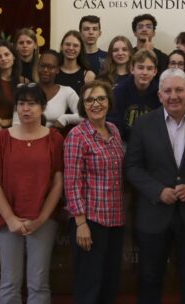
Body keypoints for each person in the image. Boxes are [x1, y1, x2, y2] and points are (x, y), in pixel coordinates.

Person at [124, 68, 185, 304]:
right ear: (159, 96)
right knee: (149, 278)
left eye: (178, 90)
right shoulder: (143, 125)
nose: (173, 95)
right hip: (153, 215)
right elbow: (132, 167)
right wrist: (157, 190)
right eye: (167, 91)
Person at [0, 83, 64, 304]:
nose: (26, 109)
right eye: (21, 104)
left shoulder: (54, 138)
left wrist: (40, 220)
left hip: (43, 219)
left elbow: (59, 182)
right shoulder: (3, 138)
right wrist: (10, 218)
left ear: (43, 107)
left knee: (38, 283)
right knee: (9, 282)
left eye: (32, 104)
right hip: (7, 220)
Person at [64, 80, 125, 304]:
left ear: (109, 102)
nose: (96, 104)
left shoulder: (114, 130)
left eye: (100, 98)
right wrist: (80, 223)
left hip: (115, 219)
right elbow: (71, 183)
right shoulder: (77, 136)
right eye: (89, 100)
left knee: (110, 283)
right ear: (83, 105)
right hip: (90, 221)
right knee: (89, 286)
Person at [13, 50, 81, 129]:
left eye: (50, 67)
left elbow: (83, 116)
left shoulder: (67, 92)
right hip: (24, 136)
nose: (45, 70)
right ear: (37, 67)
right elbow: (16, 123)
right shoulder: (24, 89)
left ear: (58, 69)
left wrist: (65, 119)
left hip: (52, 138)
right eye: (42, 66)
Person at [108, 48, 160, 143]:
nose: (144, 72)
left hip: (151, 143)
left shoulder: (160, 94)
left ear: (155, 72)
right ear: (132, 69)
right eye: (140, 67)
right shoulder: (119, 91)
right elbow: (114, 124)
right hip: (124, 142)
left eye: (149, 68)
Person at [56, 30, 96, 95]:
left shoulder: (88, 76)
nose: (71, 48)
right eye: (67, 44)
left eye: (75, 45)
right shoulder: (53, 72)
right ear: (61, 47)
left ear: (81, 49)